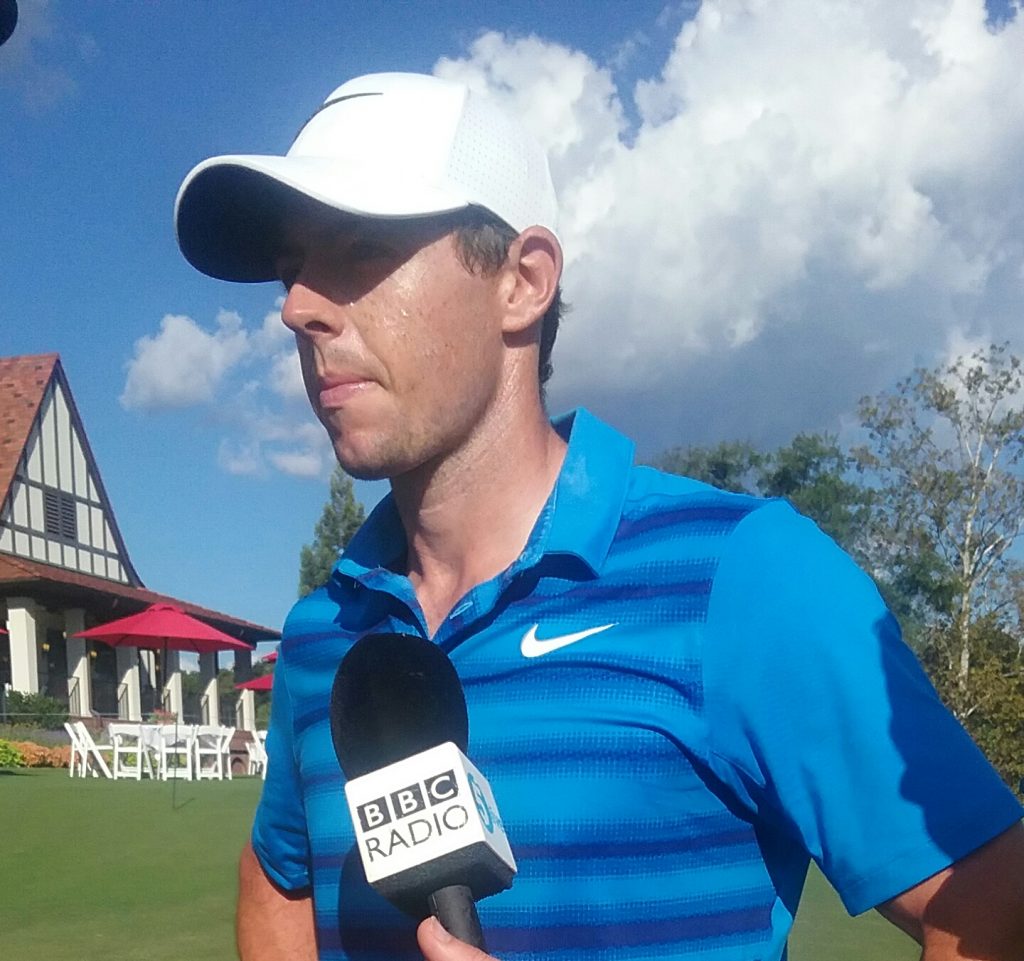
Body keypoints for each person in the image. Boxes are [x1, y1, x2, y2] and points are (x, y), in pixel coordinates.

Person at [175, 72, 1024, 961]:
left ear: (522, 281)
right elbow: (275, 876)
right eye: (288, 271)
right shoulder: (322, 634)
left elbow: (992, 901)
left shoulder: (741, 573)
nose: (296, 307)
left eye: (355, 249)